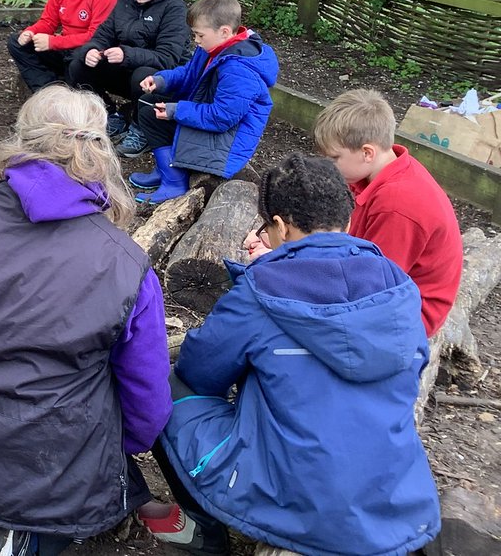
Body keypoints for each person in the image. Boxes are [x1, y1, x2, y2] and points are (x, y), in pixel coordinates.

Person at [0, 86, 172, 556]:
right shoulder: (125, 262)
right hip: (46, 469)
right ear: (98, 149)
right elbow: (146, 392)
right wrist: (120, 446)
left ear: (21, 139)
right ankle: (34, 526)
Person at [143, 153, 440, 556]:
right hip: (398, 503)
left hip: (296, 505)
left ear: (279, 225)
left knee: (165, 384)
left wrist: (251, 284)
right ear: (346, 217)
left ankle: (204, 532)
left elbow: (200, 371)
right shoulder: (399, 286)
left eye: (266, 226)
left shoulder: (261, 290)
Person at [313, 89, 463, 336]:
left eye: (333, 158)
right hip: (381, 282)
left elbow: (371, 285)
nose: (328, 166)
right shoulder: (380, 169)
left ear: (367, 152)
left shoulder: (397, 204)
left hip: (408, 313)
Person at [123, 0, 277, 205]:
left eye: (199, 35)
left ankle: (175, 182)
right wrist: (161, 80)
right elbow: (188, 73)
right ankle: (165, 169)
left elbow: (222, 117)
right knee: (149, 105)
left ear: (224, 32)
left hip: (226, 141)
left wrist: (176, 110)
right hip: (213, 121)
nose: (195, 40)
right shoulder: (214, 48)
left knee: (155, 115)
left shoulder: (239, 68)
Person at [67, 0, 189, 141]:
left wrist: (126, 54)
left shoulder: (174, 9)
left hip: (162, 81)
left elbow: (168, 59)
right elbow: (102, 35)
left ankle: (141, 127)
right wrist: (92, 50)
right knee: (78, 64)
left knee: (143, 74)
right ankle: (108, 114)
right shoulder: (125, 2)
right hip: (128, 71)